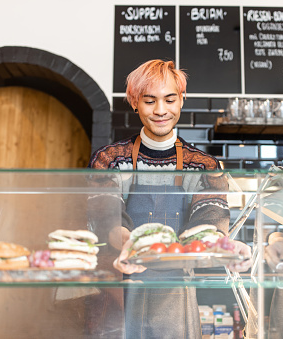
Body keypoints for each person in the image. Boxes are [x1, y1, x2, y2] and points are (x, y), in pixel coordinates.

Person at [87, 59, 251, 338]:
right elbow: (106, 215)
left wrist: (221, 245)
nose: (160, 110)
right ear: (135, 102)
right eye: (150, 101)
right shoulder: (110, 159)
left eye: (169, 99)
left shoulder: (203, 165)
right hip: (118, 292)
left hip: (176, 297)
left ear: (182, 100)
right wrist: (131, 245)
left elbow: (209, 217)